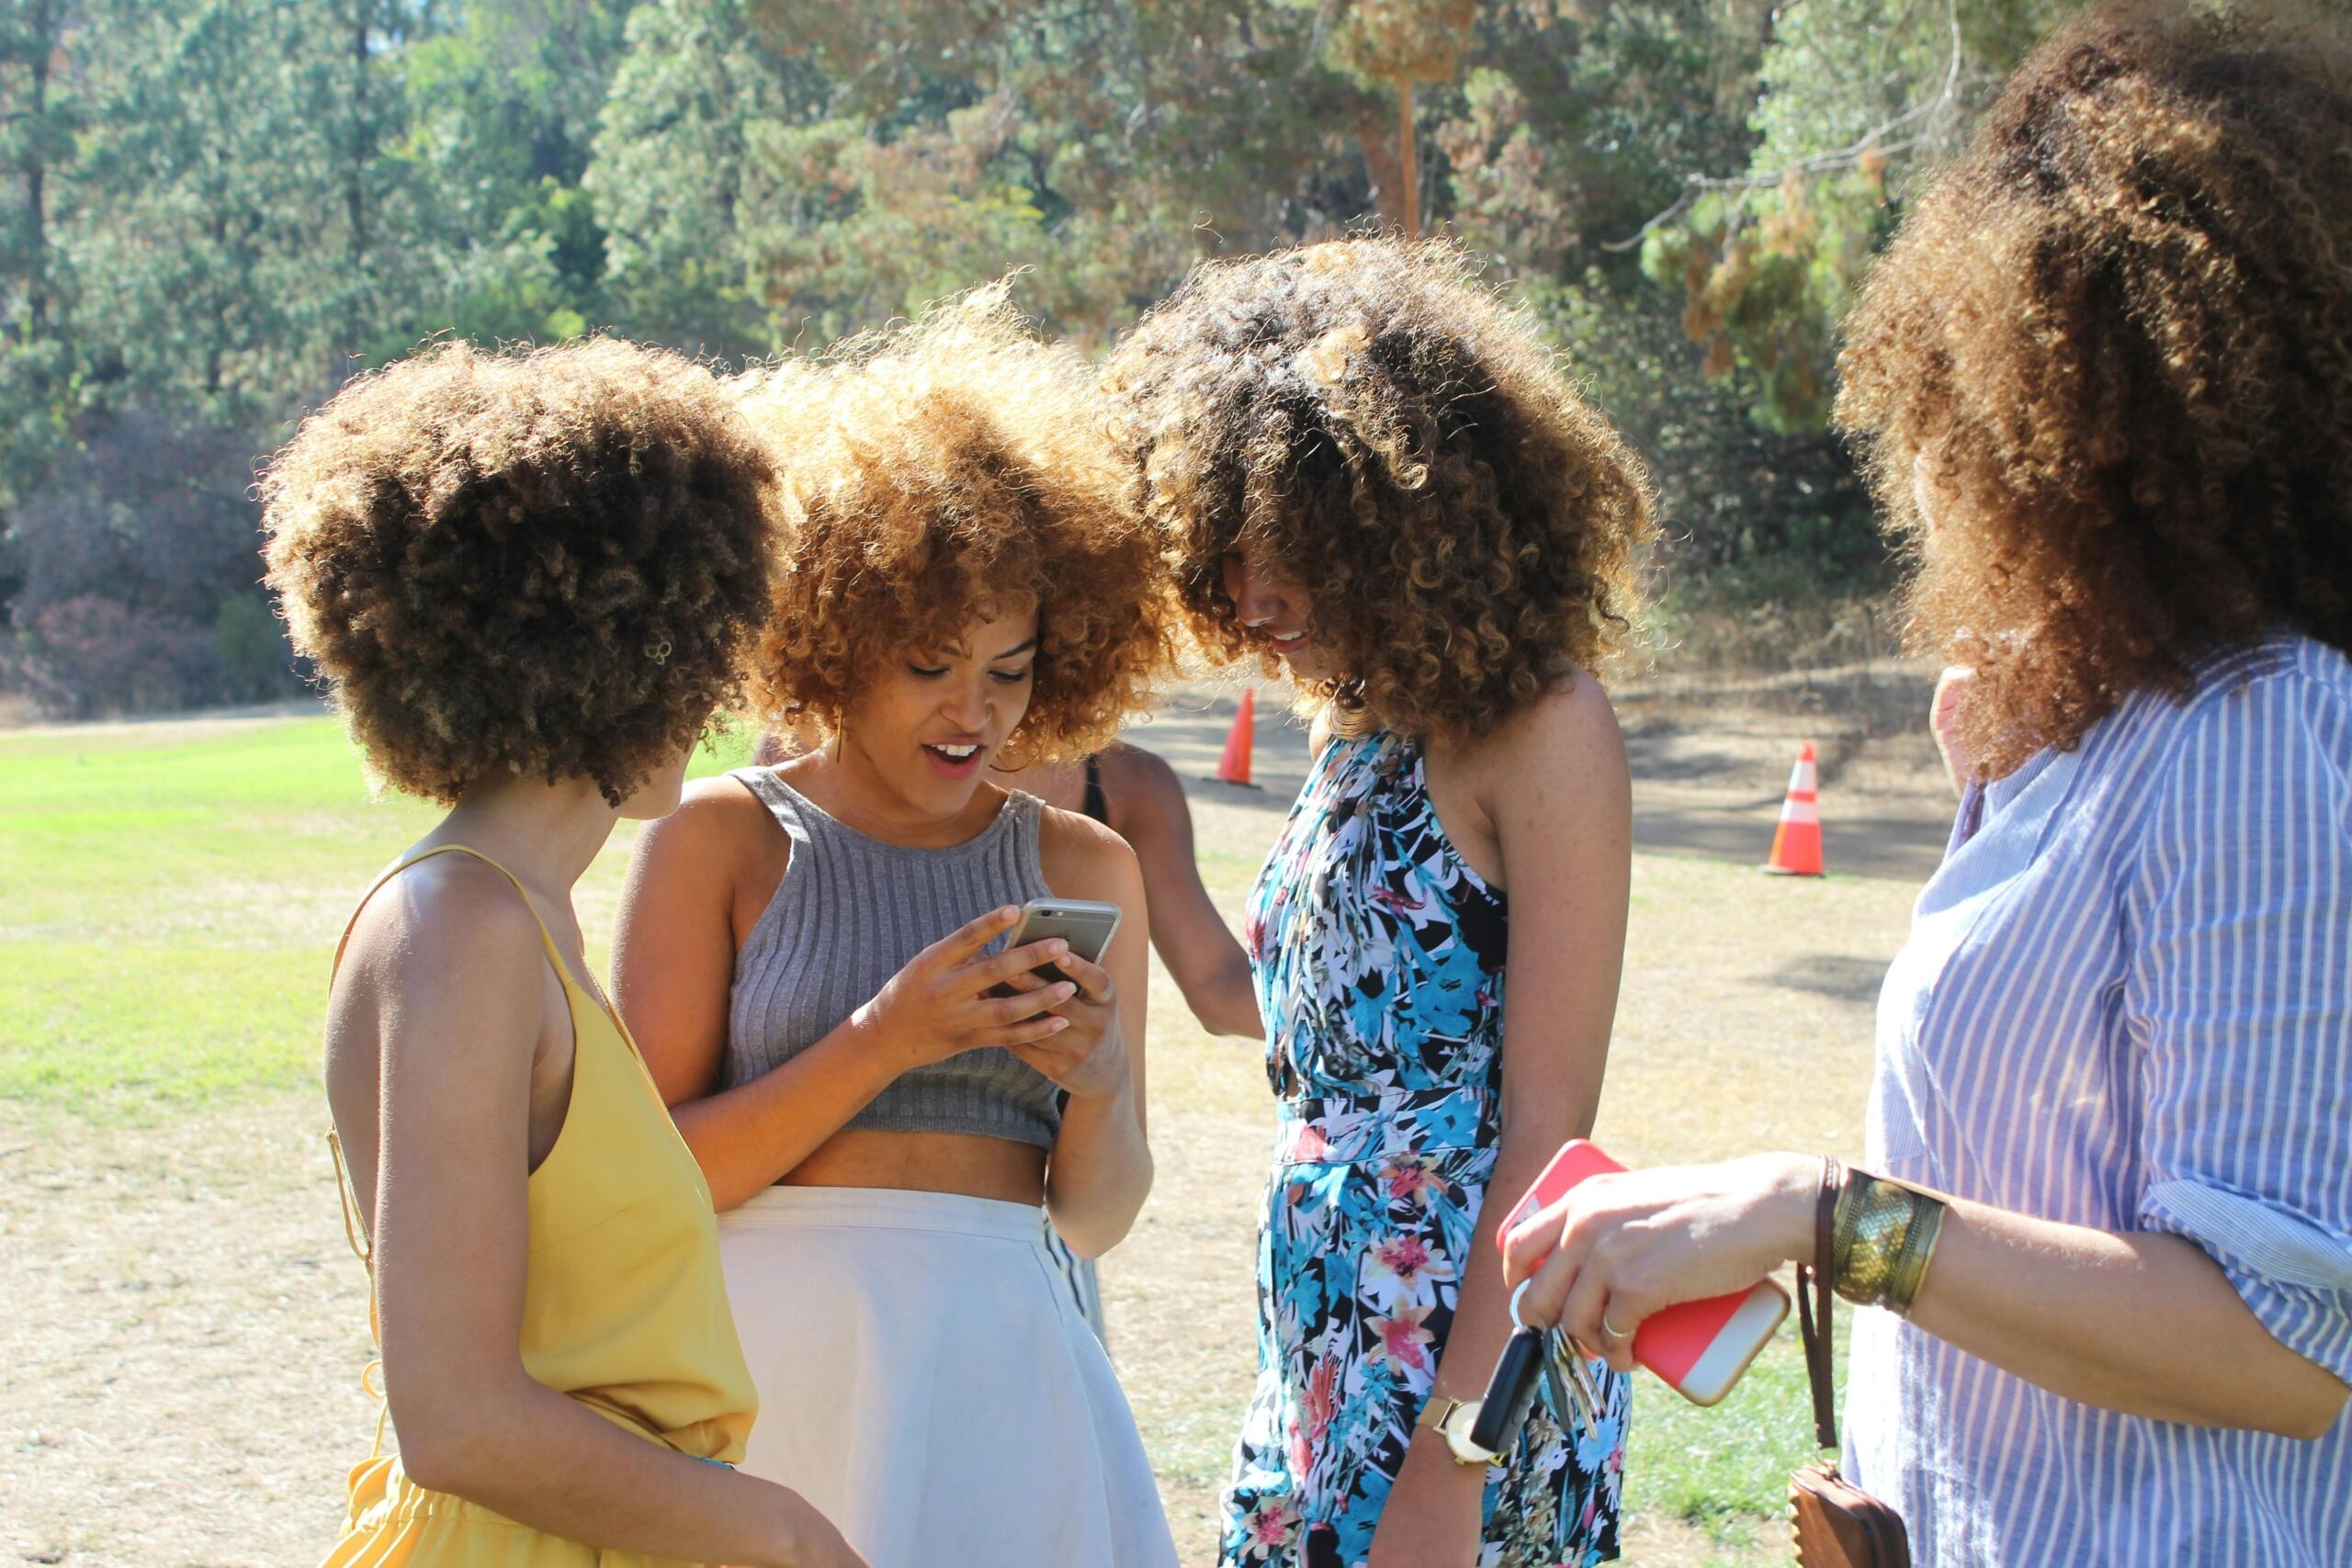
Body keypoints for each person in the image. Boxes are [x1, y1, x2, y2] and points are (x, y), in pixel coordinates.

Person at [1502, 6, 2352, 1562]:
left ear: (2085, 413)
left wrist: (1824, 1215)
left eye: (1968, 371)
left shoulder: (2259, 727)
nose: (1925, 441)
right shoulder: (2092, 721)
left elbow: (2279, 1348)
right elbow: (2039, 1166)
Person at [261, 340, 864, 1568]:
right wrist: (782, 1532)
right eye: (692, 649)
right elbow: (459, 1421)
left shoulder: (516, 916)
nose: (711, 692)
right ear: (611, 661)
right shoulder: (462, 930)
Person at [1103, 236, 1657, 1568]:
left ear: (1401, 521)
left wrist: (1453, 1455)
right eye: (1226, 554)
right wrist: (1145, 847)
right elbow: (1269, 1017)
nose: (1253, 596)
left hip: (1462, 1365)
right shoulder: (1356, 724)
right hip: (1322, 1350)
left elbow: (1547, 1131)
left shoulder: (1541, 723)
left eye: (1288, 548)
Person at [613, 291, 1180, 1568]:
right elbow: (659, 1186)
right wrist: (883, 1039)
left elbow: (1095, 1219)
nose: (973, 711)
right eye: (929, 662)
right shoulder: (718, 839)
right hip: (772, 1375)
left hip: (1008, 1376)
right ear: (836, 631)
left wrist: (1096, 1082)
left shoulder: (1087, 863)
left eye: (1012, 668)